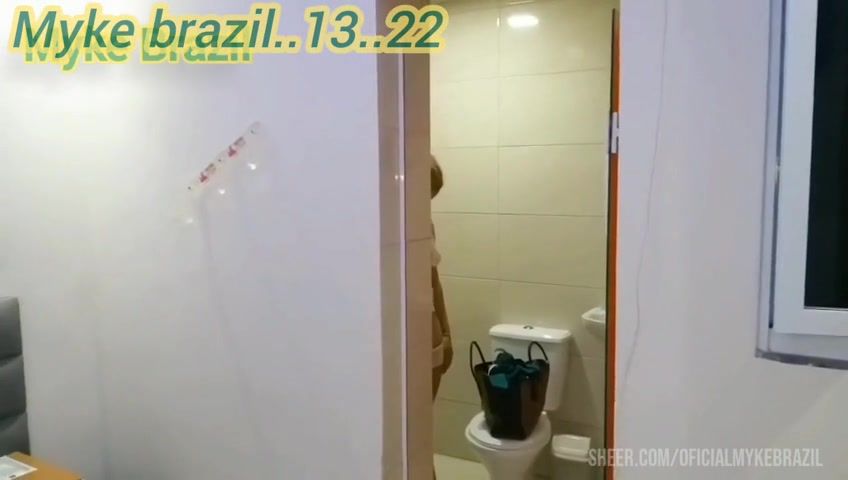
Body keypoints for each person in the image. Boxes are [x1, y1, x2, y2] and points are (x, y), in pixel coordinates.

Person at [431, 157, 452, 399]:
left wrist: (446, 334)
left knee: (421, 414)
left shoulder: (424, 227)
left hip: (429, 334)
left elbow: (433, 281)